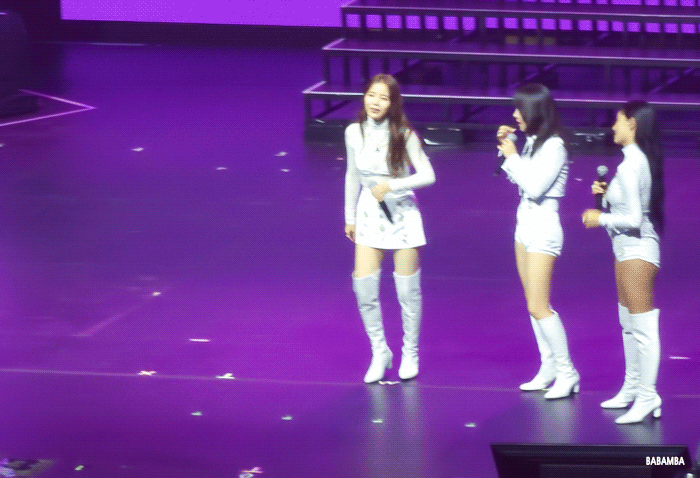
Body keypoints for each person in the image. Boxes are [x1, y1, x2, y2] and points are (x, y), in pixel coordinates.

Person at [344, 73, 435, 383]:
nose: (375, 102)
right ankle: (379, 351)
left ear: (393, 103)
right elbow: (352, 175)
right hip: (369, 212)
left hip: (403, 214)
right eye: (371, 95)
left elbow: (428, 175)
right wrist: (349, 217)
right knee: (364, 287)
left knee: (407, 291)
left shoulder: (404, 134)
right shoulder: (353, 132)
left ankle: (410, 352)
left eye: (383, 98)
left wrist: (393, 185)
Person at [582, 100, 664, 424]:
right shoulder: (632, 162)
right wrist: (605, 197)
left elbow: (633, 218)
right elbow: (629, 207)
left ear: (632, 124)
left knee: (643, 328)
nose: (613, 127)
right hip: (624, 250)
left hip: (638, 251)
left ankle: (648, 395)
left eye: (617, 121)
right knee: (629, 325)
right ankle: (632, 389)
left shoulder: (631, 166)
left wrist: (599, 217)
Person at [496, 83, 579, 399]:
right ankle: (548, 367)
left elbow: (535, 187)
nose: (515, 114)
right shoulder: (532, 142)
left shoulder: (555, 147)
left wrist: (513, 156)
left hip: (544, 227)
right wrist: (507, 149)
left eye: (520, 108)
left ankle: (567, 372)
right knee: (532, 303)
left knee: (538, 304)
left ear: (535, 110)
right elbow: (519, 181)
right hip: (524, 226)